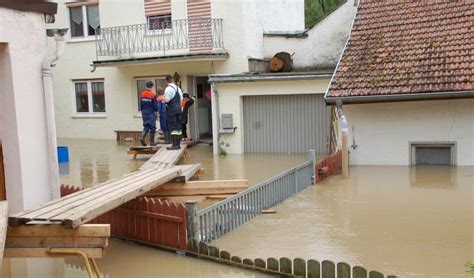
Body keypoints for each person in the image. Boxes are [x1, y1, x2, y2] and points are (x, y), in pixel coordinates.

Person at [163, 74, 183, 150]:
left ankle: (174, 145)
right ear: (172, 79)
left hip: (172, 110)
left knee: (173, 126)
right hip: (179, 109)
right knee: (178, 126)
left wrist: (162, 98)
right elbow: (181, 100)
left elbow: (167, 100)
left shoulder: (168, 89)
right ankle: (178, 144)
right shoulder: (178, 88)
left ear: (166, 81)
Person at [139, 81, 158, 146]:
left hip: (144, 111)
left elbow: (141, 104)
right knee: (153, 127)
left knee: (146, 126)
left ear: (146, 86)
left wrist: (142, 110)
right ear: (152, 86)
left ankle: (142, 137)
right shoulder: (153, 95)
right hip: (150, 112)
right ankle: (152, 142)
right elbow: (155, 106)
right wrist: (156, 111)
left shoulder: (142, 94)